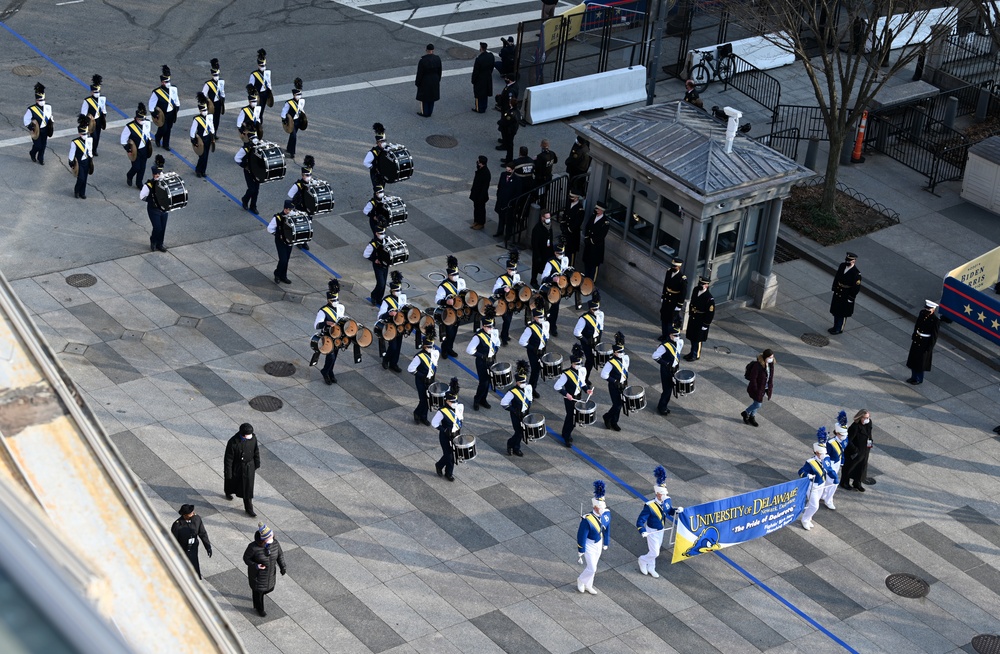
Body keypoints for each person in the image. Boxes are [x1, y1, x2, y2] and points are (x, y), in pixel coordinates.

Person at [636, 467, 680, 578]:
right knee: (655, 552)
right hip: (651, 530)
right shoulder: (650, 506)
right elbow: (640, 521)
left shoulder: (667, 500)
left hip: (661, 529)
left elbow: (669, 511)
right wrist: (643, 531)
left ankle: (651, 567)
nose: (664, 496)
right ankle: (642, 560)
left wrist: (677, 511)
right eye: (662, 494)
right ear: (658, 494)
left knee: (655, 549)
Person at [243, 522, 286, 617]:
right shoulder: (253, 547)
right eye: (269, 538)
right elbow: (246, 558)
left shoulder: (275, 543)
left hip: (270, 574)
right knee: (259, 592)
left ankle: (256, 600)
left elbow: (280, 555)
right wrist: (256, 565)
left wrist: (283, 566)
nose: (272, 539)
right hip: (258, 575)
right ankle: (259, 609)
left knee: (267, 589)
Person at [554, 344, 592, 448]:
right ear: (572, 363)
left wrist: (587, 389)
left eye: (580, 363)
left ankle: (565, 432)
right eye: (577, 363)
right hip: (569, 398)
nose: (579, 365)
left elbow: (582, 383)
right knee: (572, 417)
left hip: (578, 397)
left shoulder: (582, 370)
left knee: (572, 417)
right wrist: (566, 394)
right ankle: (566, 436)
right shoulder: (566, 374)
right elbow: (557, 386)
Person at [576, 480, 610, 594]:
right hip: (589, 544)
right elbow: (581, 535)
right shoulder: (587, 520)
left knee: (594, 566)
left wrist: (606, 542)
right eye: (600, 508)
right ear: (595, 507)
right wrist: (581, 550)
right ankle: (581, 580)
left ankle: (588, 585)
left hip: (599, 543)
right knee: (592, 568)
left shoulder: (606, 514)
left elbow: (607, 528)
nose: (603, 509)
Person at [466, 307, 500, 410]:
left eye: (491, 326)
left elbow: (497, 343)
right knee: (483, 382)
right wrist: (481, 355)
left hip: (491, 360)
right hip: (482, 362)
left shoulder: (494, 332)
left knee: (489, 381)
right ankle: (477, 400)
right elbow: (469, 350)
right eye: (488, 327)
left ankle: (483, 399)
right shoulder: (478, 336)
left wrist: (495, 351)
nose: (490, 328)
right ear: (483, 326)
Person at [798, 442, 837, 531]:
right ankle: (804, 520)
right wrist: (808, 475)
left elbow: (829, 469)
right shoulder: (810, 462)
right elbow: (801, 472)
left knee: (811, 503)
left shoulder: (826, 459)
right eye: (821, 453)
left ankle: (809, 517)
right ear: (816, 452)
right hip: (812, 486)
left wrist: (834, 478)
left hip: (821, 484)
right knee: (815, 506)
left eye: (824, 453)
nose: (823, 455)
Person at [225, 423, 261, 517]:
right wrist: (228, 473)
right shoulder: (233, 442)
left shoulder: (253, 438)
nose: (250, 436)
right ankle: (228, 491)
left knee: (247, 488)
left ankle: (249, 508)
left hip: (249, 466)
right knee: (231, 482)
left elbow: (255, 451)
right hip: (237, 467)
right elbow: (228, 459)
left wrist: (257, 463)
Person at [435, 256, 467, 358]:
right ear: (448, 275)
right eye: (453, 275)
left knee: (454, 332)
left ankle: (450, 348)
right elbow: (437, 300)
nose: (455, 276)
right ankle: (444, 350)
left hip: (458, 311)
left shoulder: (461, 281)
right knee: (448, 333)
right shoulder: (443, 286)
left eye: (456, 274)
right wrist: (446, 301)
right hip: (448, 312)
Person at [432, 378, 463, 481]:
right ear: (446, 401)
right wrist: (444, 430)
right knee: (448, 455)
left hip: (456, 434)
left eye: (455, 401)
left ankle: (449, 473)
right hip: (445, 436)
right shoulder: (442, 411)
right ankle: (439, 465)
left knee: (454, 455)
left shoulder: (459, 407)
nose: (454, 403)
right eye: (452, 401)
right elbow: (434, 423)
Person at [408, 326, 440, 426]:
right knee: (423, 399)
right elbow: (410, 369)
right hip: (421, 381)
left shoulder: (436, 353)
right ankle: (417, 413)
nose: (431, 348)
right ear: (424, 346)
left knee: (429, 400)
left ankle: (424, 416)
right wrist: (422, 376)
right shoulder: (419, 357)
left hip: (431, 380)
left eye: (432, 346)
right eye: (428, 347)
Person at [314, 280, 345, 384]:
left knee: (335, 355)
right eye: (333, 300)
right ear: (328, 300)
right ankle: (325, 371)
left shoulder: (341, 307)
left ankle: (330, 371)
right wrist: (326, 323)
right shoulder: (323, 311)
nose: (335, 301)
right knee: (330, 356)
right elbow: (316, 325)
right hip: (327, 335)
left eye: (336, 299)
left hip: (338, 334)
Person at [501, 360, 533, 456]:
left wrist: (527, 408)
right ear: (517, 382)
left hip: (525, 413)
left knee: (522, 432)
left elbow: (530, 399)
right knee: (518, 432)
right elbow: (503, 403)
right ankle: (511, 444)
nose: (523, 383)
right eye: (521, 382)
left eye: (524, 381)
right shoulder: (512, 392)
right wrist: (514, 410)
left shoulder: (528, 387)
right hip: (515, 414)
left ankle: (516, 447)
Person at [171, 504, 212, 580]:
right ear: (185, 515)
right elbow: (173, 541)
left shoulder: (197, 519)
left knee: (194, 568)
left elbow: (202, 533)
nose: (193, 514)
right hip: (183, 551)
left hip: (193, 549)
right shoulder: (177, 525)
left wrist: (208, 547)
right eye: (191, 513)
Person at [139, 155, 169, 252]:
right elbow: (142, 196)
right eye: (156, 174)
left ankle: (160, 244)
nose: (158, 176)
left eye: (159, 174)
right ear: (153, 175)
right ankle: (153, 241)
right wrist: (153, 199)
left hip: (164, 209)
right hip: (153, 209)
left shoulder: (165, 182)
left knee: (163, 228)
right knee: (157, 227)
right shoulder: (149, 185)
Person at [379, 272, 407, 373]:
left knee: (398, 346)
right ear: (391, 290)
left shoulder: (403, 297)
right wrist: (389, 313)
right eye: (396, 290)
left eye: (399, 290)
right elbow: (380, 316)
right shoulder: (386, 301)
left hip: (401, 325)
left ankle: (394, 363)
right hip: (390, 326)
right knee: (393, 346)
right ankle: (386, 359)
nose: (398, 292)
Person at [519, 301, 549, 396]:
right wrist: (532, 348)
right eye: (539, 317)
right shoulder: (530, 328)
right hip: (533, 352)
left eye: (542, 317)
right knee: (535, 370)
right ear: (535, 317)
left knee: (539, 369)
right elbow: (522, 341)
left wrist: (544, 346)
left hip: (542, 350)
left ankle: (533, 387)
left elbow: (546, 336)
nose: (541, 319)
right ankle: (531, 389)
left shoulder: (546, 324)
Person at [906, 300, 939, 384]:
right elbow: (917, 325)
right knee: (913, 360)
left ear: (933, 310)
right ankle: (913, 377)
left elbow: (934, 336)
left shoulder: (935, 321)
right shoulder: (922, 313)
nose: (927, 311)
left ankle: (918, 379)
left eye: (929, 309)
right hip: (917, 340)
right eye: (926, 309)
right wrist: (914, 335)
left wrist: (929, 347)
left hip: (925, 343)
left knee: (920, 363)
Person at [600, 332, 629, 432]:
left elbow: (626, 370)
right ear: (615, 352)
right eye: (619, 351)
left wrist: (625, 381)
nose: (621, 353)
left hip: (623, 384)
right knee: (617, 404)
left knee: (620, 404)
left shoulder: (625, 358)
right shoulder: (610, 363)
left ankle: (614, 421)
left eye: (622, 351)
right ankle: (607, 417)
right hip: (614, 386)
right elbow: (603, 375)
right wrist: (614, 381)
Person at [287, 155, 317, 250]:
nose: (308, 177)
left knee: (308, 224)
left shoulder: (313, 183)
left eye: (310, 175)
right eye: (307, 175)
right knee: (300, 225)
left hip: (309, 208)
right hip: (300, 208)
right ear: (302, 175)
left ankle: (304, 241)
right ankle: (299, 241)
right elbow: (290, 194)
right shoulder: (298, 185)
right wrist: (299, 199)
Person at [653, 328, 684, 416]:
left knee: (671, 388)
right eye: (675, 335)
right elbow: (655, 356)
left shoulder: (680, 342)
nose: (677, 337)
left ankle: (664, 405)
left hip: (675, 368)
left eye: (678, 335)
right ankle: (661, 407)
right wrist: (666, 363)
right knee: (667, 389)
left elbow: (677, 353)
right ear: (670, 335)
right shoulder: (664, 346)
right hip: (666, 370)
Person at [841, 409, 873, 492]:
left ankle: (857, 483)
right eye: (865, 418)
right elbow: (848, 440)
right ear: (860, 417)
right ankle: (844, 482)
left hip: (865, 450)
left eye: (868, 417)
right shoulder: (854, 427)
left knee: (861, 467)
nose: (867, 419)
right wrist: (855, 450)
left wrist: (870, 443)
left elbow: (869, 434)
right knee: (849, 467)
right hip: (855, 452)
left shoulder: (868, 423)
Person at [829, 252, 861, 334]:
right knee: (836, 310)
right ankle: (835, 326)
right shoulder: (842, 266)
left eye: (849, 261)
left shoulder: (856, 273)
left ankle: (839, 328)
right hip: (838, 291)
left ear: (854, 261)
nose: (847, 263)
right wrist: (834, 286)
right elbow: (837, 277)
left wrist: (851, 297)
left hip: (846, 294)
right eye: (846, 260)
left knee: (842, 312)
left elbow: (856, 287)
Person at [149, 65, 180, 151]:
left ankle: (166, 144)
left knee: (169, 128)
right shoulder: (157, 92)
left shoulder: (174, 89)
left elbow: (176, 98)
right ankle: (158, 137)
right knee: (163, 128)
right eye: (164, 82)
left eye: (167, 81)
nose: (165, 83)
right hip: (162, 114)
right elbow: (151, 104)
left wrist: (177, 106)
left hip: (171, 112)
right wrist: (154, 114)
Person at [684, 276, 715, 361]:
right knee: (691, 336)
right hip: (694, 317)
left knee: (698, 339)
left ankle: (695, 354)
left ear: (706, 285)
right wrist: (690, 313)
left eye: (702, 284)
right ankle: (691, 352)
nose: (700, 285)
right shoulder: (696, 290)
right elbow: (692, 302)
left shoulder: (709, 298)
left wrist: (706, 324)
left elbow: (710, 313)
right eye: (700, 283)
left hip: (701, 320)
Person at [541, 237, 569, 332]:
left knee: (555, 308)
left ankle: (552, 326)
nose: (561, 255)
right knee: (545, 306)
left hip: (560, 287)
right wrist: (553, 278)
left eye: (562, 253)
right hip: (550, 286)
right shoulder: (550, 263)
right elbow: (544, 278)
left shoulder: (565, 259)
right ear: (555, 253)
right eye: (559, 253)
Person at [822, 413, 850, 509]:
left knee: (828, 481)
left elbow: (842, 452)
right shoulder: (831, 443)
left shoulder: (845, 440)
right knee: (834, 482)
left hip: (837, 463)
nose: (844, 436)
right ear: (837, 433)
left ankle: (824, 494)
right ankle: (828, 500)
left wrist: (842, 461)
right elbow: (825, 456)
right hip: (831, 463)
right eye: (842, 434)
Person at [573, 292, 603, 378]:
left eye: (597, 308)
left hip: (596, 340)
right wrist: (586, 341)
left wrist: (598, 340)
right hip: (587, 341)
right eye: (594, 309)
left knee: (595, 360)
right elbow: (576, 332)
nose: (596, 311)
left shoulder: (601, 314)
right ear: (590, 309)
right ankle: (584, 378)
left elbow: (600, 327)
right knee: (589, 361)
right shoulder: (584, 319)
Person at [493, 251, 521, 345]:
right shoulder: (501, 278)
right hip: (504, 302)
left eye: (514, 269)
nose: (513, 271)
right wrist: (503, 289)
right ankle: (504, 337)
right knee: (507, 319)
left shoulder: (517, 276)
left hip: (512, 301)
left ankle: (505, 334)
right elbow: (495, 290)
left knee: (509, 319)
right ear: (507, 269)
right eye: (511, 269)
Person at [741, 348, 774, 428]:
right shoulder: (758, 365)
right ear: (765, 357)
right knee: (758, 404)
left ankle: (751, 417)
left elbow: (770, 377)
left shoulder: (770, 365)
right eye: (770, 357)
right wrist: (756, 389)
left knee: (756, 403)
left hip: (764, 388)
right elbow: (753, 378)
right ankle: (745, 413)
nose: (771, 359)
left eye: (772, 357)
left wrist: (769, 387)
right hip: (756, 389)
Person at [121, 103, 152, 188]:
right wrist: (128, 149)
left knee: (142, 168)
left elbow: (147, 133)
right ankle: (129, 175)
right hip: (135, 150)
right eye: (140, 119)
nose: (142, 121)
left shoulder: (147, 123)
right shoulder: (129, 127)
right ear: (136, 118)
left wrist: (148, 142)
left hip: (144, 149)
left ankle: (139, 183)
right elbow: (123, 140)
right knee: (136, 167)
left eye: (143, 119)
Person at [267, 200, 296, 284]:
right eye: (289, 209)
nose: (291, 211)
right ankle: (277, 274)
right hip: (280, 241)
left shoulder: (292, 215)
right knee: (283, 259)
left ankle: (283, 276)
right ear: (285, 209)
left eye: (291, 209)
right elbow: (269, 229)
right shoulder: (277, 217)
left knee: (286, 259)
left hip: (289, 241)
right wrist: (277, 234)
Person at [659, 257, 688, 339]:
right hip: (666, 299)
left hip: (674, 301)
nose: (673, 267)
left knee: (670, 320)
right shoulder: (668, 272)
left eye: (675, 266)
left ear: (679, 267)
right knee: (664, 317)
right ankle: (664, 334)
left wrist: (679, 305)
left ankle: (669, 336)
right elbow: (665, 284)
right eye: (672, 265)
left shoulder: (682, 278)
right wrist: (663, 295)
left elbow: (683, 293)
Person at [25, 83, 53, 165]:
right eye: (40, 100)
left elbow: (50, 116)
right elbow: (26, 119)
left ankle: (41, 158)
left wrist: (51, 124)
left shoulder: (48, 107)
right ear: (36, 100)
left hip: (45, 129)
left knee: (43, 145)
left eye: (43, 100)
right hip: (36, 130)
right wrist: (31, 127)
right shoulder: (31, 109)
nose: (42, 102)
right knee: (38, 145)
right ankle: (32, 153)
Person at [363, 222, 390, 306]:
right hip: (378, 265)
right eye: (380, 233)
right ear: (376, 233)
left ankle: (379, 298)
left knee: (384, 283)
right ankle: (374, 295)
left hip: (386, 265)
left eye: (383, 233)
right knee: (381, 283)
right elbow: (365, 254)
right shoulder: (373, 244)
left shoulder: (387, 240)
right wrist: (374, 260)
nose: (382, 235)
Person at [234, 133, 262, 214]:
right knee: (251, 188)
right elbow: (236, 158)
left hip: (258, 171)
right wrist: (245, 165)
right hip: (248, 171)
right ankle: (245, 199)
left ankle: (253, 206)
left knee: (256, 189)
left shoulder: (259, 147)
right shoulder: (245, 149)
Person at [190, 92, 216, 178]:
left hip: (208, 138)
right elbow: (192, 131)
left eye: (206, 110)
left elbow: (211, 127)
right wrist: (194, 141)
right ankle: (198, 170)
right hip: (201, 139)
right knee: (202, 156)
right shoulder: (197, 119)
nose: (205, 112)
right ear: (200, 111)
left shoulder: (210, 117)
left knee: (206, 156)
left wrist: (212, 137)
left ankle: (203, 171)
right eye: (203, 110)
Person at [81, 75, 107, 157]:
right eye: (95, 92)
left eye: (98, 92)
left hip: (98, 120)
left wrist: (104, 118)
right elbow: (83, 112)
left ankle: (94, 149)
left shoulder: (102, 99)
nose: (97, 94)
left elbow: (103, 109)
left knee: (97, 136)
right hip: (90, 121)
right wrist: (85, 122)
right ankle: (89, 150)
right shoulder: (87, 101)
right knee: (93, 137)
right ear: (91, 92)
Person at [68, 116, 93, 200]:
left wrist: (91, 160)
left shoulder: (90, 139)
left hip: (87, 160)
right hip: (79, 162)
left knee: (85, 178)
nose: (84, 136)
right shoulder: (75, 142)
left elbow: (90, 150)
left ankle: (82, 193)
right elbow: (72, 152)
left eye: (85, 134)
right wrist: (71, 161)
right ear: (79, 133)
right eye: (82, 134)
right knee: (81, 178)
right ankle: (76, 191)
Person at [582, 203, 609, 282]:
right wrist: (587, 237)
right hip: (589, 245)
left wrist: (592, 240)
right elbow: (587, 227)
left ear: (602, 210)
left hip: (596, 246)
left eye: (598, 209)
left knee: (594, 265)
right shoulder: (593, 217)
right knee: (587, 262)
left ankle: (591, 282)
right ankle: (586, 279)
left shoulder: (605, 222)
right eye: (596, 209)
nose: (596, 210)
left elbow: (601, 235)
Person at [281, 78, 306, 158]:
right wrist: (284, 120)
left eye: (300, 94)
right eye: (297, 95)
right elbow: (283, 112)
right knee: (294, 136)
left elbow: (301, 109)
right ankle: (292, 152)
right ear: (294, 95)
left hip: (298, 120)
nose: (299, 96)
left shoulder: (302, 101)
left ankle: (289, 148)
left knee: (293, 136)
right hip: (291, 121)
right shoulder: (289, 103)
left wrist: (304, 117)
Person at [494, 161, 519, 238]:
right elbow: (500, 186)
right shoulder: (503, 175)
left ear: (513, 170)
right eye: (507, 170)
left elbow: (517, 193)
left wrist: (512, 203)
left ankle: (508, 234)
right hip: (501, 200)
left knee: (509, 220)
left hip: (509, 203)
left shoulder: (517, 180)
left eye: (509, 171)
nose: (507, 172)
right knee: (501, 217)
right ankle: (500, 231)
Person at [415, 43, 443, 117]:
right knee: (432, 96)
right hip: (435, 79)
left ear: (426, 50)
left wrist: (417, 83)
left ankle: (425, 112)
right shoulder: (437, 58)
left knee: (424, 97)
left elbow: (420, 73)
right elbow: (440, 71)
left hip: (425, 80)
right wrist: (438, 79)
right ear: (433, 50)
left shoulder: (423, 60)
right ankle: (430, 111)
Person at [530, 211, 554, 287]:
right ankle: (533, 280)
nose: (548, 219)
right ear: (542, 217)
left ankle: (544, 281)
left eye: (549, 217)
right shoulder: (537, 228)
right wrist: (537, 254)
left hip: (547, 250)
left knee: (546, 267)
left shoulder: (549, 226)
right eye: (546, 218)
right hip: (539, 251)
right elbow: (534, 243)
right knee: (536, 267)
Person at [561, 192, 585, 267]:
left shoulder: (580, 209)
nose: (570, 198)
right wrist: (562, 226)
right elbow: (564, 216)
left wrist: (568, 229)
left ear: (576, 198)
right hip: (565, 234)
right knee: (563, 253)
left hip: (572, 236)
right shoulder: (568, 204)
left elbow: (577, 223)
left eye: (572, 197)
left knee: (570, 255)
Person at [202, 59, 226, 133]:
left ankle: (215, 133)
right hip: (211, 104)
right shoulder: (208, 84)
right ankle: (210, 133)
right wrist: (207, 102)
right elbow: (203, 94)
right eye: (214, 75)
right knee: (210, 119)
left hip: (218, 103)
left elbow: (222, 91)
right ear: (212, 75)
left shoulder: (222, 82)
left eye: (217, 75)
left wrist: (223, 100)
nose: (216, 77)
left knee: (217, 119)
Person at [249, 49, 273, 119]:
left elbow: (268, 82)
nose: (263, 67)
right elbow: (251, 86)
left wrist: (269, 90)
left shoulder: (267, 72)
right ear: (258, 65)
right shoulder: (254, 75)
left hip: (265, 94)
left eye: (264, 65)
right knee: (256, 111)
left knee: (261, 110)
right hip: (257, 95)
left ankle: (259, 121)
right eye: (261, 66)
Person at [472, 42, 495, 113]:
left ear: (481, 48)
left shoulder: (479, 59)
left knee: (478, 94)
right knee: (485, 93)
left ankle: (478, 108)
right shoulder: (491, 56)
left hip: (480, 79)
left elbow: (476, 71)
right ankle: (484, 106)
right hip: (487, 77)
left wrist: (473, 80)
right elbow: (492, 66)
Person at [470, 155, 491, 230]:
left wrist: (481, 197)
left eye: (478, 162)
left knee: (481, 209)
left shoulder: (486, 173)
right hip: (476, 193)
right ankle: (476, 221)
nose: (477, 163)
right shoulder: (480, 170)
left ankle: (481, 223)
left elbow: (485, 187)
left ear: (482, 163)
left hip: (481, 195)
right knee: (476, 208)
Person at [365, 123, 387, 190]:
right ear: (377, 143)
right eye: (381, 141)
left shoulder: (386, 149)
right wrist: (374, 168)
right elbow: (365, 162)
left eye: (384, 141)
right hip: (376, 175)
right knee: (378, 190)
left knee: (383, 186)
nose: (383, 143)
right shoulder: (372, 152)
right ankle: (377, 199)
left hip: (383, 172)